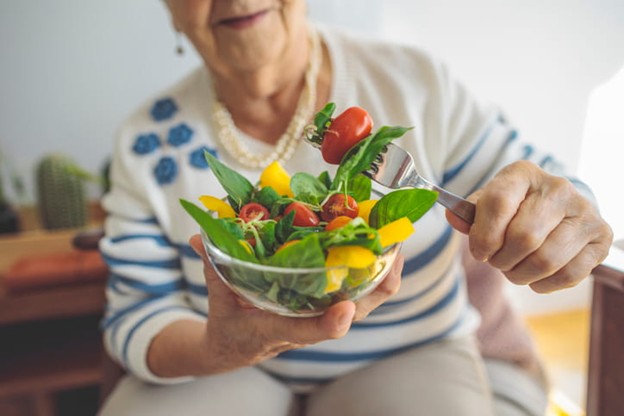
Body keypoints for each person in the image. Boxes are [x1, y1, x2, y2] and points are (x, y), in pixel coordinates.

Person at [97, 1, 613, 415]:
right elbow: (137, 316)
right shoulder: (146, 141)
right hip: (223, 368)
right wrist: (223, 347)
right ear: (169, 10)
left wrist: (565, 213)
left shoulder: (412, 81)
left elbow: (540, 181)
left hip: (413, 354)